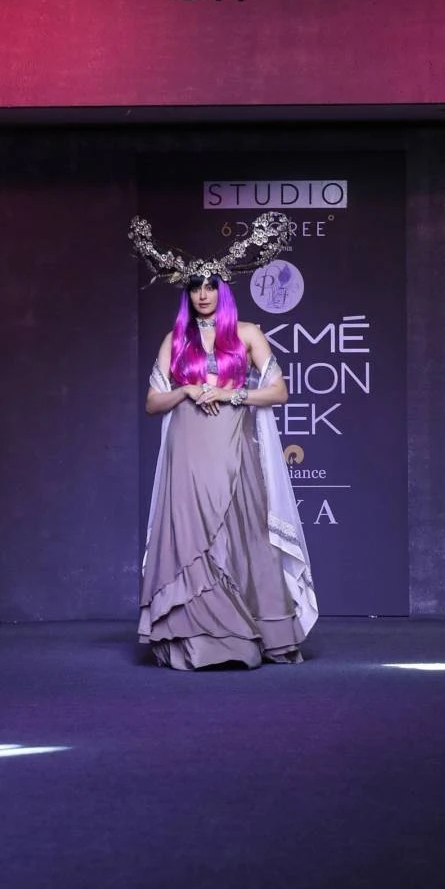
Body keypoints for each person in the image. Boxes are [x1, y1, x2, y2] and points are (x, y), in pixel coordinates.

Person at [129, 212, 318, 670]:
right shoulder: (175, 339)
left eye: (210, 286)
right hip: (186, 452)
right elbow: (153, 403)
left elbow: (279, 392)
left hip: (234, 447)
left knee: (242, 533)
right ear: (187, 293)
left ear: (223, 289)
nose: (203, 294)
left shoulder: (248, 333)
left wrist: (232, 394)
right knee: (189, 538)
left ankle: (253, 634)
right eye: (195, 287)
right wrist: (186, 390)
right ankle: (196, 639)